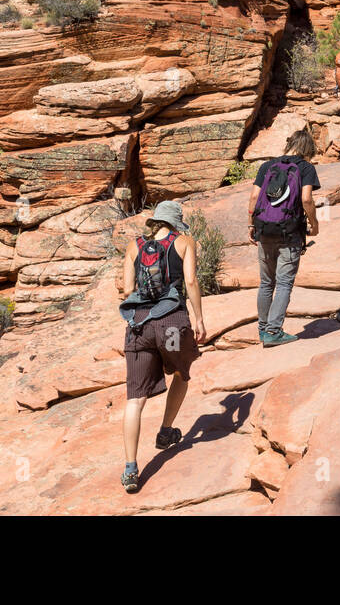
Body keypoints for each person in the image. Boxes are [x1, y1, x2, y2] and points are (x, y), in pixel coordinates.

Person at [117, 200, 206, 494]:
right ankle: (166, 431)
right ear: (176, 222)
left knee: (135, 399)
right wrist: (199, 317)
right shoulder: (184, 241)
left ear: (156, 221)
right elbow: (190, 281)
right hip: (169, 324)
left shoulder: (134, 246)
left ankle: (130, 468)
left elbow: (127, 290)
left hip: (138, 326)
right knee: (181, 371)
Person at [248, 128, 320, 347]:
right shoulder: (306, 168)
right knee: (284, 283)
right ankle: (273, 331)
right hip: (289, 232)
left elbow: (253, 196)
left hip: (265, 229)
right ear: (308, 149)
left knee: (266, 282)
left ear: (289, 143)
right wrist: (314, 224)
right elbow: (307, 199)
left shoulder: (267, 166)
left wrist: (251, 224)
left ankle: (263, 329)